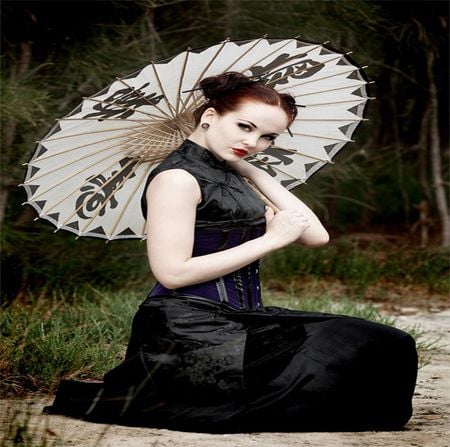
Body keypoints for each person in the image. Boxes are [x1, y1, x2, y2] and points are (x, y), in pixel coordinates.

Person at [45, 72, 418, 432]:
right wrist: (270, 240)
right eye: (245, 127)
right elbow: (172, 273)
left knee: (384, 344)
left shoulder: (232, 173)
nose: (254, 142)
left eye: (268, 137)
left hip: (244, 319)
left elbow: (316, 235)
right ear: (210, 115)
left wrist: (252, 171)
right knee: (317, 380)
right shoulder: (176, 179)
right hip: (187, 326)